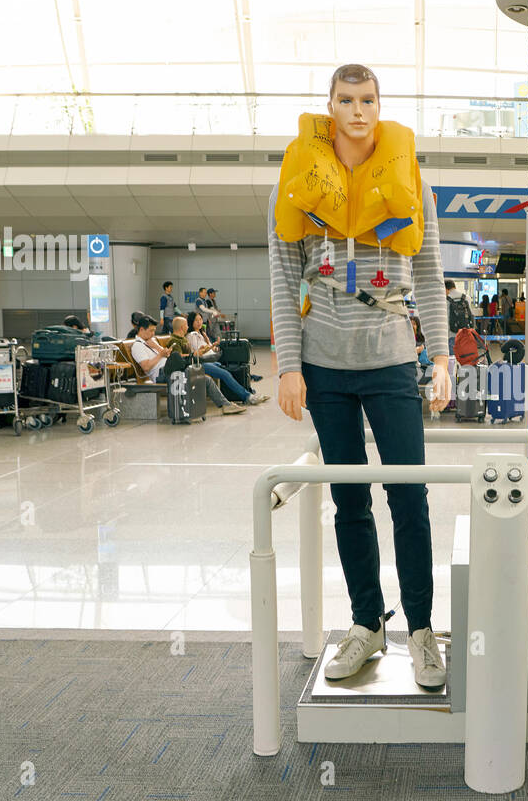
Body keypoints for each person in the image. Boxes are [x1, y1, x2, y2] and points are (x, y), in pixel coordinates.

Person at [269, 61, 451, 688]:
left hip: (393, 359)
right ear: (330, 105)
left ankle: (423, 630)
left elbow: (428, 275)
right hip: (324, 366)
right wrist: (289, 366)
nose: (357, 110)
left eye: (367, 100)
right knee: (349, 502)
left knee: (411, 498)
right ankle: (367, 623)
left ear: (379, 106)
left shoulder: (411, 178)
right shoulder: (296, 179)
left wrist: (443, 358)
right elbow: (282, 273)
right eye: (345, 100)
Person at [129, 316, 247, 415]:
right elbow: (146, 367)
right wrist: (160, 354)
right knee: (178, 357)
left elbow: (166, 354)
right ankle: (194, 359)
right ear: (141, 330)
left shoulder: (151, 342)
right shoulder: (137, 346)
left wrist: (156, 348)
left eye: (154, 330)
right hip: (162, 373)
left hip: (172, 368)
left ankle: (225, 405)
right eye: (150, 331)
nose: (153, 333)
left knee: (206, 379)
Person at [171, 314, 267, 405]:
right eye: (195, 321)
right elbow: (180, 356)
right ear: (182, 327)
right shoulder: (188, 337)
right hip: (199, 363)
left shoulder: (187, 337)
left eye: (200, 319)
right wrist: (196, 353)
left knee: (229, 369)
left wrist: (208, 347)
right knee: (225, 373)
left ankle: (248, 392)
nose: (199, 322)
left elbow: (197, 351)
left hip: (203, 361)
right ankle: (247, 397)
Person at [446, 278, 475, 353]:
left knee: (452, 360)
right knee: (465, 358)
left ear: (446, 289)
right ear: (454, 286)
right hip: (466, 334)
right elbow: (471, 315)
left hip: (451, 334)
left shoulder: (445, 300)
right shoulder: (467, 298)